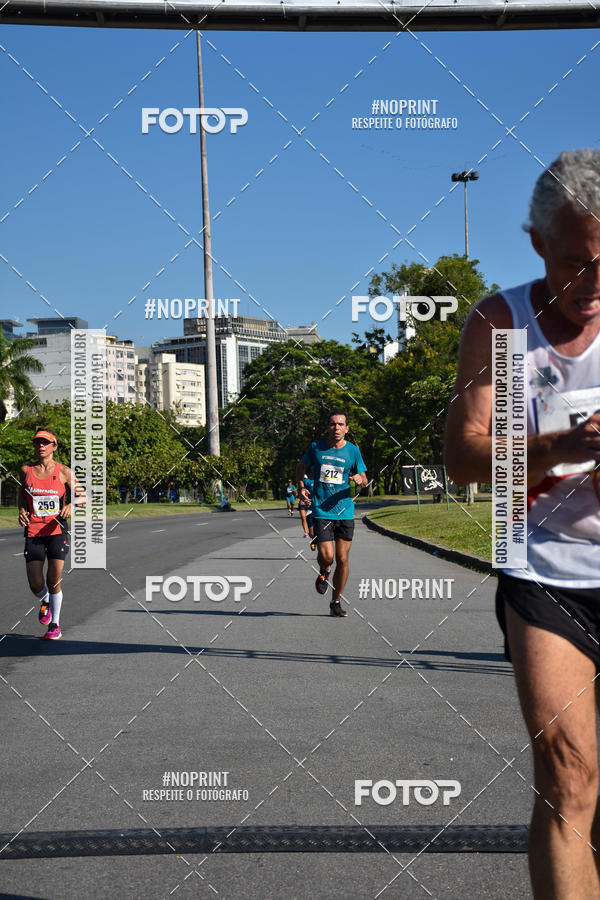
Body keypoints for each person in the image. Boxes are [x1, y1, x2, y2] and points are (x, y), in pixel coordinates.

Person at [445, 149, 600, 899]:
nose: (594, 286)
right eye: (577, 264)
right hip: (547, 574)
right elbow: (467, 458)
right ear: (536, 242)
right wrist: (564, 447)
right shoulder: (502, 324)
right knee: (570, 777)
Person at [297, 410, 367, 617]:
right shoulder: (316, 447)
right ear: (328, 427)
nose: (336, 428)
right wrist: (301, 488)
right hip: (321, 509)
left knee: (343, 559)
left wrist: (359, 480)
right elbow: (301, 467)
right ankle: (324, 571)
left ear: (347, 428)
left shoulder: (353, 451)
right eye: (332, 424)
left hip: (345, 511)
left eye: (340, 424)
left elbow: (364, 477)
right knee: (327, 557)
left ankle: (336, 602)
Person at [18, 428, 85, 640]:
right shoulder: (26, 470)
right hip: (35, 530)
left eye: (45, 443)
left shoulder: (64, 471)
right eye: (37, 443)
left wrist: (72, 507)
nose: (41, 446)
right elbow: (22, 495)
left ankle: (55, 624)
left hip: (57, 530)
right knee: (36, 583)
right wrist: (21, 510)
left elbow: (82, 496)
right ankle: (45, 599)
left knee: (53, 579)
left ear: (54, 446)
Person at [298, 475, 315, 540]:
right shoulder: (303, 483)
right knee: (303, 517)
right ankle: (306, 532)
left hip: (312, 504)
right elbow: (298, 493)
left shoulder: (315, 481)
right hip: (303, 503)